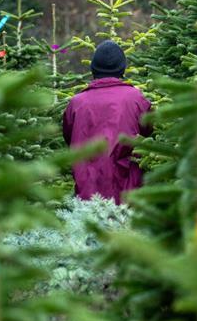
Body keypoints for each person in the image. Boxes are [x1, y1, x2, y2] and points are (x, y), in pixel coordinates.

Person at [62, 40, 152, 204]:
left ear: (94, 69)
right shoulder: (136, 99)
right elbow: (150, 136)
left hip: (87, 200)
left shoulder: (76, 103)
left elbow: (69, 139)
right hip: (128, 198)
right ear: (122, 68)